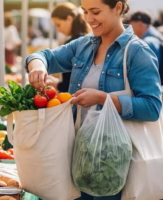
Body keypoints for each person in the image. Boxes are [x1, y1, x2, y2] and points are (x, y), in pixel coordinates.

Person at [25, 0, 161, 199]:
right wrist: (38, 66)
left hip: (114, 164)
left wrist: (104, 99)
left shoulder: (137, 52)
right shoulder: (84, 45)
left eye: (95, 11)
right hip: (78, 157)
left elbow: (152, 107)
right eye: (85, 11)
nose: (89, 19)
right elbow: (43, 56)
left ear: (118, 7)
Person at [50, 2, 91, 92]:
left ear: (69, 19)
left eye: (58, 25)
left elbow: (69, 84)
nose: (58, 29)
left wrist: (55, 84)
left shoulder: (73, 43)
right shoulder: (85, 38)